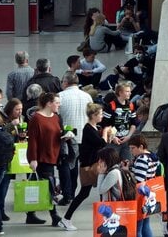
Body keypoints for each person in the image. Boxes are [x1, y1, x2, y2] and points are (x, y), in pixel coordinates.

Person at [61, 102, 108, 230]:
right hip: (89, 166)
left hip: (91, 165)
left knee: (90, 193)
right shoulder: (89, 129)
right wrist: (106, 132)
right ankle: (66, 218)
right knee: (87, 193)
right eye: (100, 114)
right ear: (93, 115)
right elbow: (101, 143)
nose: (102, 116)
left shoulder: (92, 128)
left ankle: (67, 218)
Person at [26, 91, 68, 226]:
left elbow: (58, 133)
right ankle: (54, 215)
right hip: (42, 157)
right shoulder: (36, 119)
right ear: (49, 104)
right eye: (56, 103)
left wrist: (66, 135)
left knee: (41, 185)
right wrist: (33, 158)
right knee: (49, 185)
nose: (58, 105)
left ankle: (31, 214)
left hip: (53, 155)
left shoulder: (55, 117)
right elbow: (32, 140)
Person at [57, 70, 91, 203]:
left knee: (66, 165)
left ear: (65, 82)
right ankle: (74, 191)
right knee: (76, 165)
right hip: (84, 136)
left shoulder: (60, 96)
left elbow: (56, 116)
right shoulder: (87, 96)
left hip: (68, 137)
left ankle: (68, 194)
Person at [128, 134, 160, 237]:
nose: (131, 151)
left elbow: (139, 180)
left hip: (140, 196)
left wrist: (127, 171)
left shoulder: (142, 159)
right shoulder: (152, 156)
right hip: (148, 194)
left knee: (138, 228)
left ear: (141, 147)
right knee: (146, 225)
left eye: (133, 148)